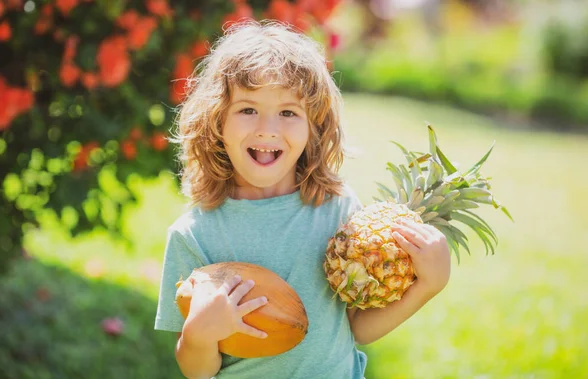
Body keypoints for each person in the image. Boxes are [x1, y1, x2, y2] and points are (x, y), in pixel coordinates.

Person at [154, 20, 451, 379]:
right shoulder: (194, 234)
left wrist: (428, 286)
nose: (267, 128)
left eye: (288, 113)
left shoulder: (336, 208)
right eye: (247, 109)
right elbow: (197, 371)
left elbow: (355, 327)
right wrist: (199, 336)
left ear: (315, 126)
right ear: (217, 122)